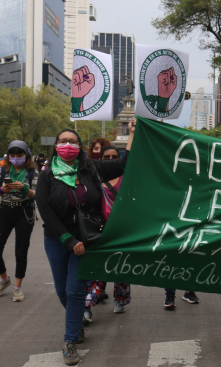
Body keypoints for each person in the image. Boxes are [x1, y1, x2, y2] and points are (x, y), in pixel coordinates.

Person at [36, 118, 136, 366]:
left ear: (79, 146)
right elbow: (45, 209)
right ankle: (77, 319)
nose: (67, 145)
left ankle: (70, 341)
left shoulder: (91, 169)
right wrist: (67, 239)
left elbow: (124, 164)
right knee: (63, 291)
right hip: (57, 239)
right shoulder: (47, 175)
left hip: (86, 240)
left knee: (75, 290)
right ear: (56, 146)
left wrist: (133, 133)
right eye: (62, 142)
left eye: (72, 141)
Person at [83, 146, 131, 325]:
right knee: (96, 270)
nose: (110, 159)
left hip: (120, 230)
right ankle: (87, 306)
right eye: (106, 157)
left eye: (114, 157)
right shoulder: (91, 180)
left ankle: (120, 299)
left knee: (120, 267)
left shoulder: (127, 179)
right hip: (97, 230)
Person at [0, 141, 38, 302]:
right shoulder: (2, 170)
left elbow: (35, 194)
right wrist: (3, 189)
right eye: (12, 155)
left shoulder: (32, 172)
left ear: (26, 155)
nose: (15, 158)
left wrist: (23, 188)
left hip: (25, 212)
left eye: (19, 155)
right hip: (5, 210)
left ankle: (17, 288)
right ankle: (5, 279)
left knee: (21, 250)